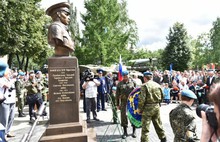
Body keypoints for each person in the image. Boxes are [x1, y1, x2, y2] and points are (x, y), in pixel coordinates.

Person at [138, 71, 167, 142]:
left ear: (145, 78)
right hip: (156, 107)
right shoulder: (157, 85)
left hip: (147, 108)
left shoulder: (144, 86)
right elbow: (162, 96)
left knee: (145, 128)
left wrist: (139, 109)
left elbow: (142, 99)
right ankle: (163, 138)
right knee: (158, 124)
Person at [116, 70, 136, 139]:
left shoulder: (133, 83)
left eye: (126, 76)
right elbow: (117, 95)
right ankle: (125, 132)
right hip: (123, 102)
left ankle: (134, 131)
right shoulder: (120, 84)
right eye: (124, 76)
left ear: (128, 75)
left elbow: (137, 93)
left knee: (133, 116)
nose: (125, 77)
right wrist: (117, 104)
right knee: (123, 116)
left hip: (132, 102)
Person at [0, 61, 16, 140]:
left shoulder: (9, 79)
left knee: (11, 117)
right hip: (5, 102)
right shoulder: (1, 79)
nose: (9, 72)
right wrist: (13, 80)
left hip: (12, 100)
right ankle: (3, 135)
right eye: (7, 70)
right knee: (4, 119)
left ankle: (8, 131)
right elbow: (7, 86)